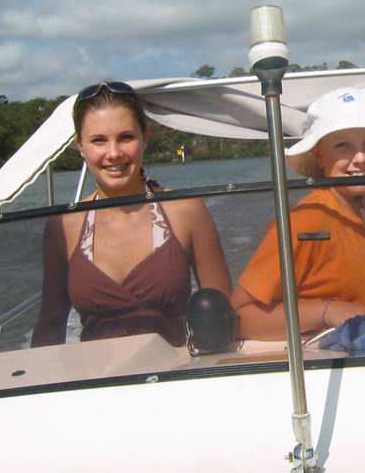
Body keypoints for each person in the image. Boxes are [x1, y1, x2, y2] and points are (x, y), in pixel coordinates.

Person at [32, 81, 232, 347]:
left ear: (145, 137)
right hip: (94, 373)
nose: (114, 153)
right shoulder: (64, 224)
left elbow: (225, 310)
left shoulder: (185, 209)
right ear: (80, 145)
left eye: (126, 137)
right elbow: (50, 325)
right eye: (98, 140)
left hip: (177, 370)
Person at [231, 87, 365, 340]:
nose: (360, 158)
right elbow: (237, 317)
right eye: (343, 145)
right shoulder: (300, 225)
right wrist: (326, 311)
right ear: (319, 153)